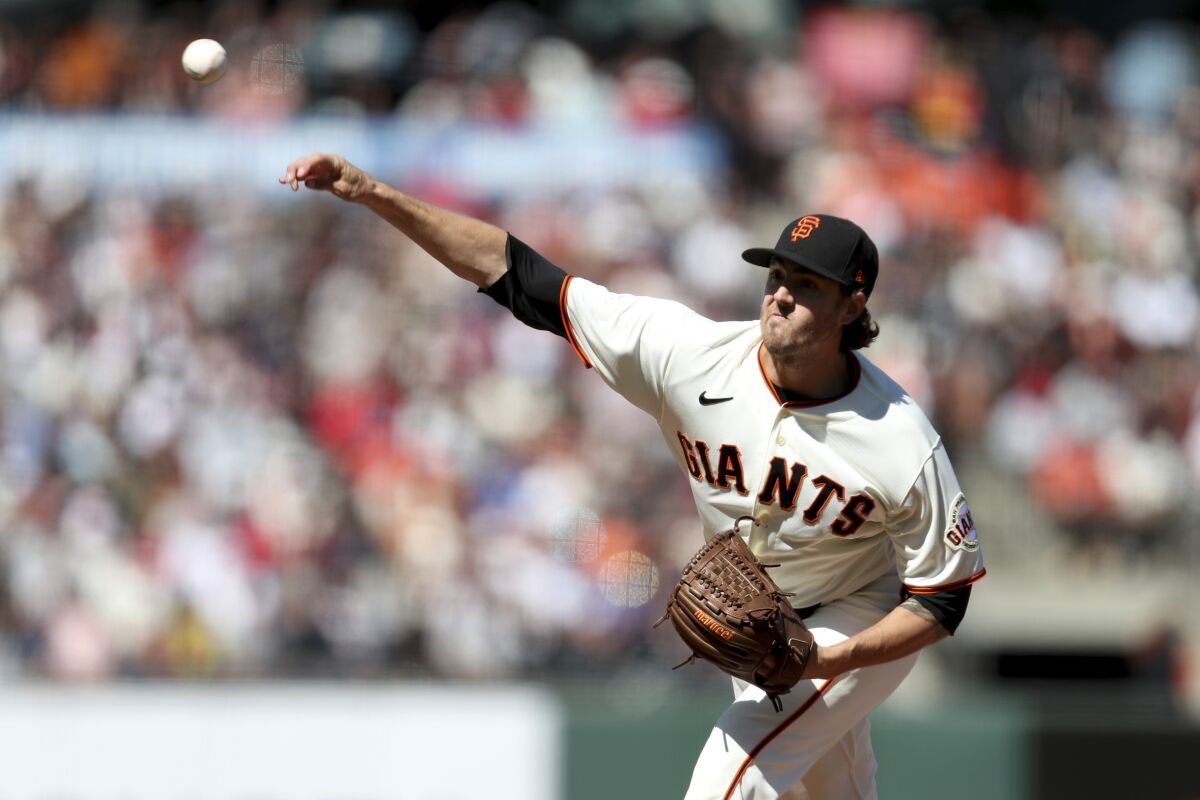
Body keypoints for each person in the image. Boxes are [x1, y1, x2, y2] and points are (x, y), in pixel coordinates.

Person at [279, 154, 986, 800]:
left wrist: (836, 659)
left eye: (807, 286)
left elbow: (942, 599)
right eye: (777, 277)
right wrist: (372, 193)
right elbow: (520, 277)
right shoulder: (691, 354)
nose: (780, 296)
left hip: (854, 620)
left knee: (725, 781)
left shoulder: (899, 436)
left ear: (853, 304)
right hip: (757, 623)